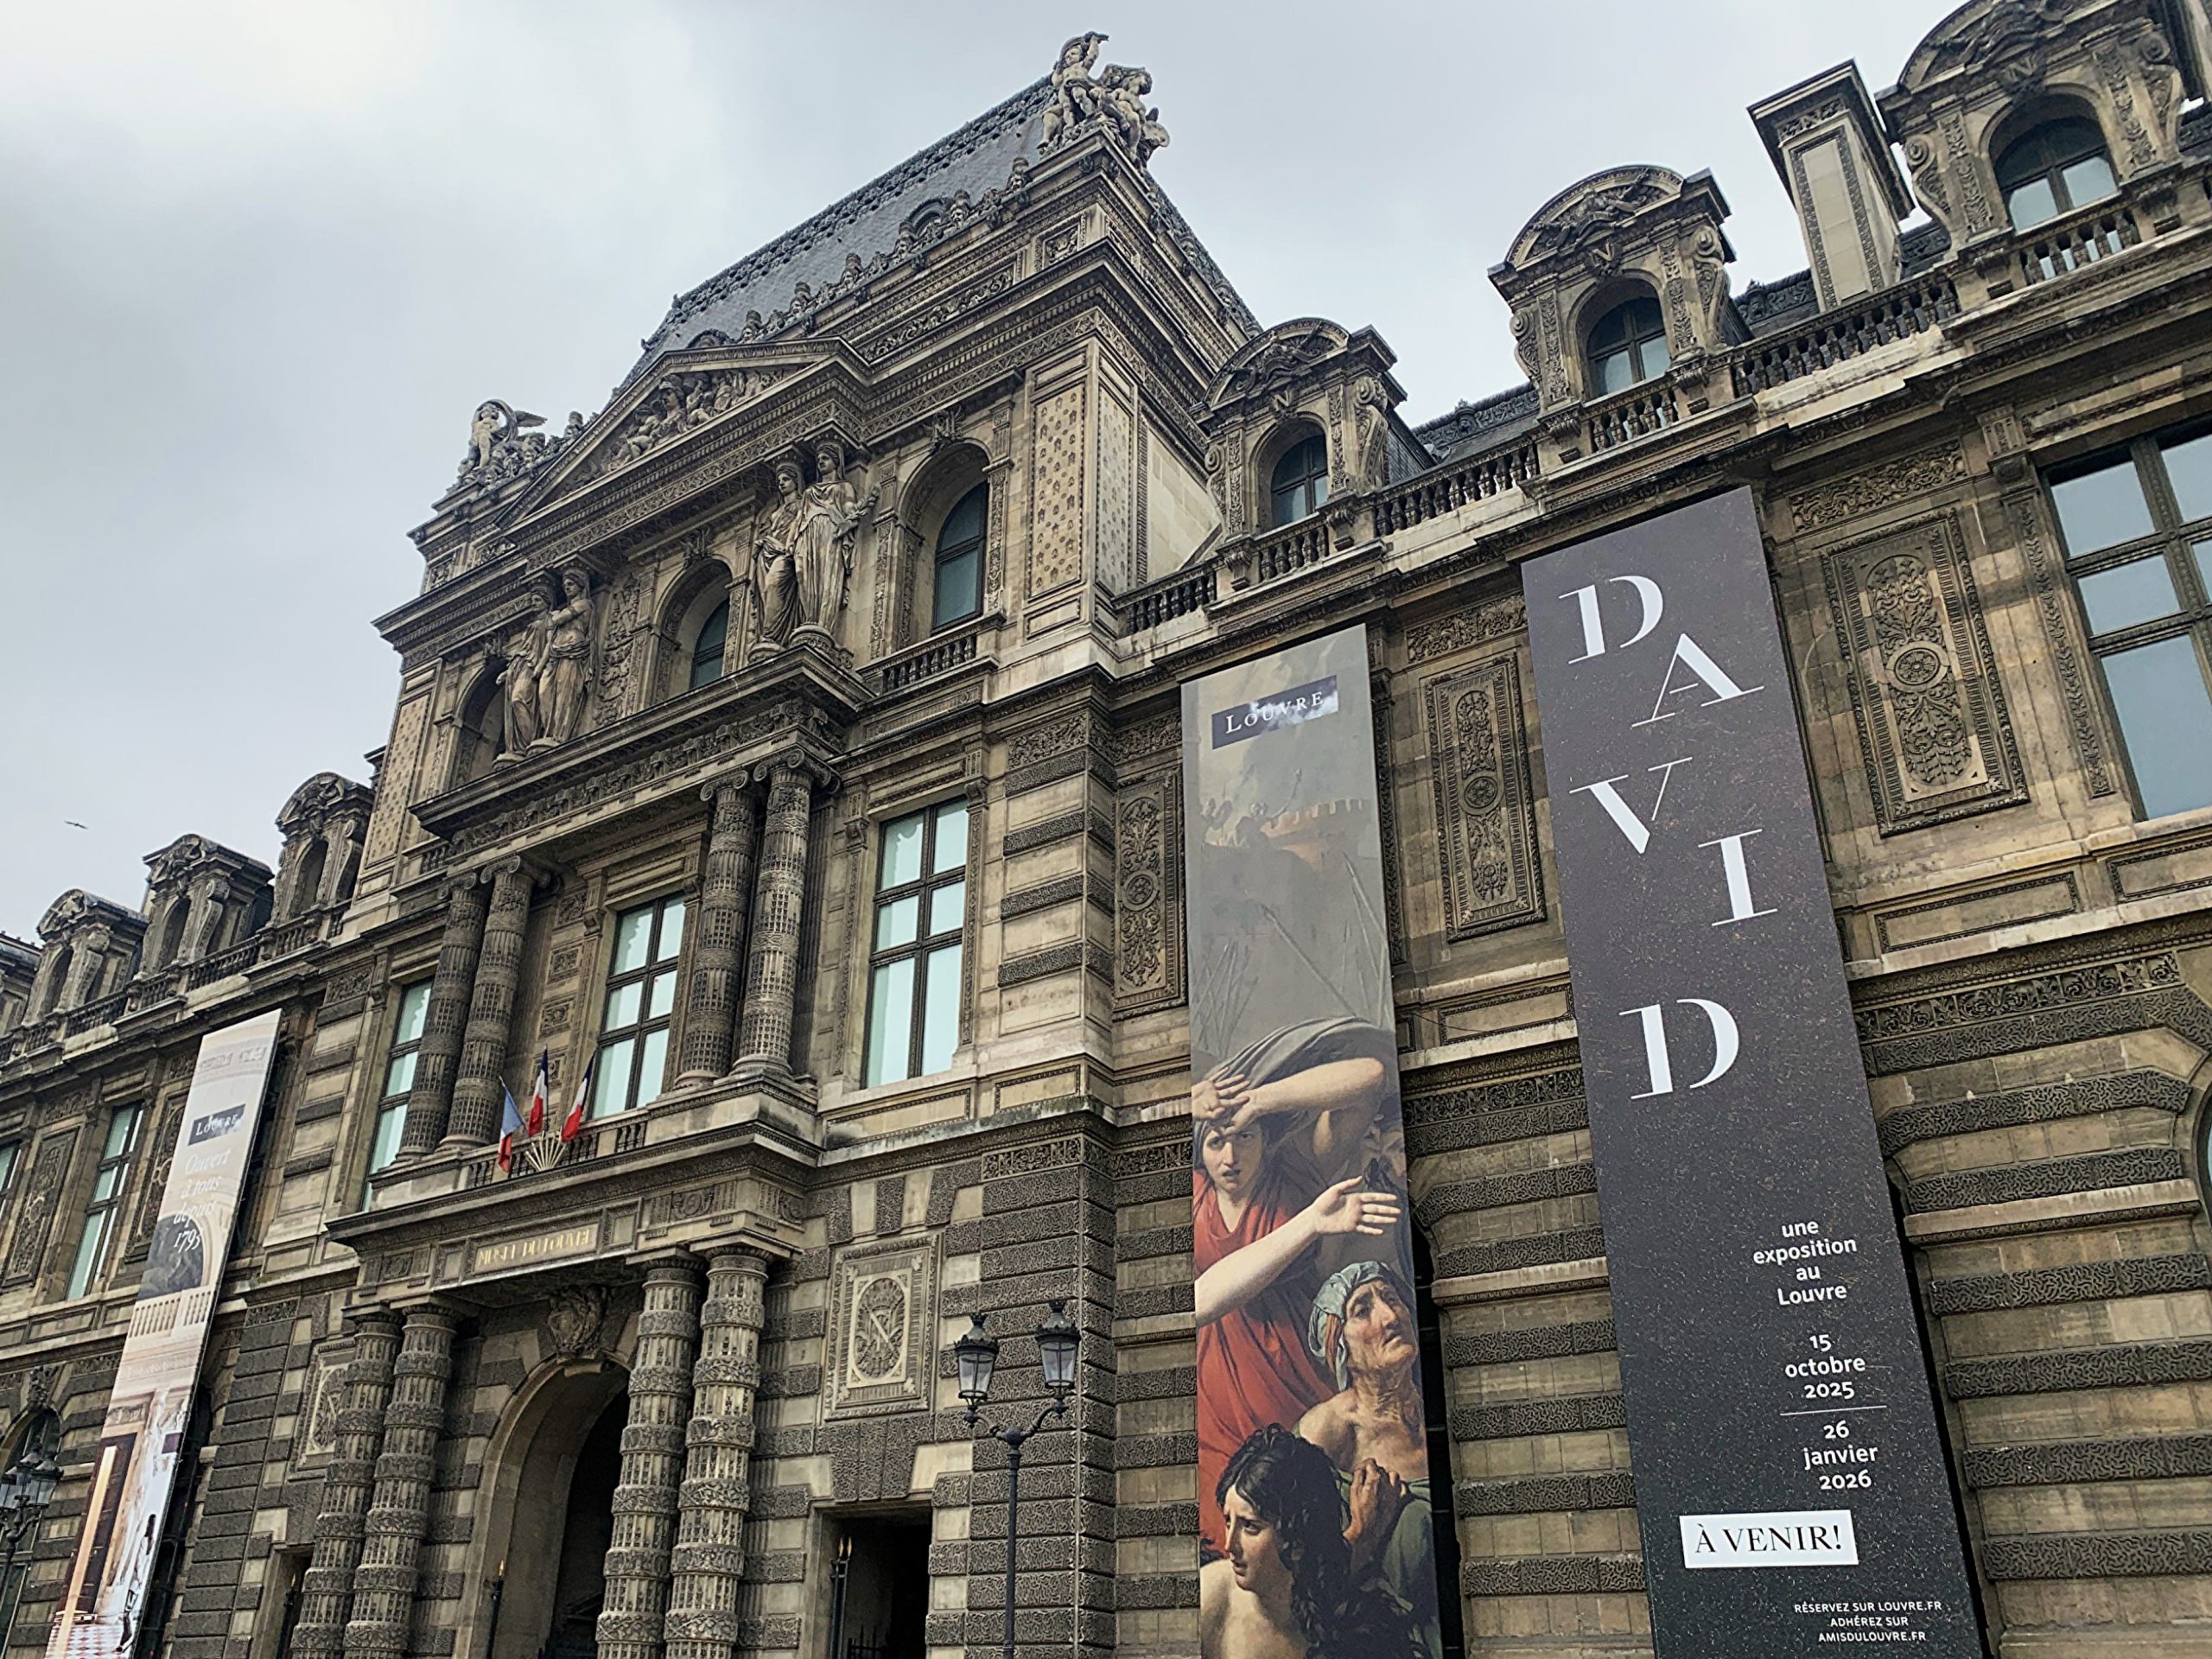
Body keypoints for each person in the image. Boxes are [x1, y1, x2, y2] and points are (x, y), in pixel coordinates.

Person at [1192, 1017, 1402, 1553]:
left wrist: (1257, 1100)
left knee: (1307, 1537)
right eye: (1217, 1141)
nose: (1231, 1157)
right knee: (1233, 1543)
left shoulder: (1296, 1174)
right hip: (1218, 1396)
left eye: (1245, 1137)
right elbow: (1205, 1298)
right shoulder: (1190, 1198)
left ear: (1267, 1138)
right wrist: (1190, 1101)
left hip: (1296, 1381)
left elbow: (1371, 1075)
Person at [1300, 1261, 1440, 1659]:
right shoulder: (1325, 1432)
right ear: (1339, 1348)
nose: (1391, 1316)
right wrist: (1363, 1535)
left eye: (1393, 1300)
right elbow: (1297, 1587)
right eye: (1363, 1310)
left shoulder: (1441, 1408)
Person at [1201, 1425, 1421, 1659]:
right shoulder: (1210, 1597)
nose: (1229, 1546)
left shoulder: (1352, 1622)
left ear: (1296, 1542)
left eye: (1250, 1526)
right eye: (1228, 1521)